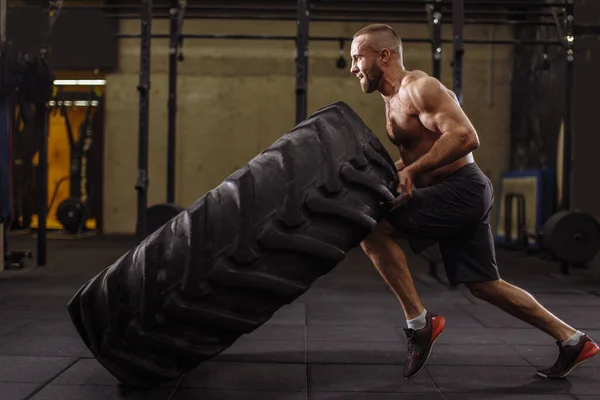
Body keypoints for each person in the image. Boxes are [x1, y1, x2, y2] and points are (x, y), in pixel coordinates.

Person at [349, 23, 599, 380]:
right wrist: (396, 170)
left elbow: (466, 136)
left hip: (462, 189)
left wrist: (412, 171)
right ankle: (573, 340)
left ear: (383, 55)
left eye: (358, 57)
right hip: (458, 190)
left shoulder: (419, 87)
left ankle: (419, 324)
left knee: (373, 230)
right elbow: (424, 149)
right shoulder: (392, 100)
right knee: (483, 284)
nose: (355, 67)